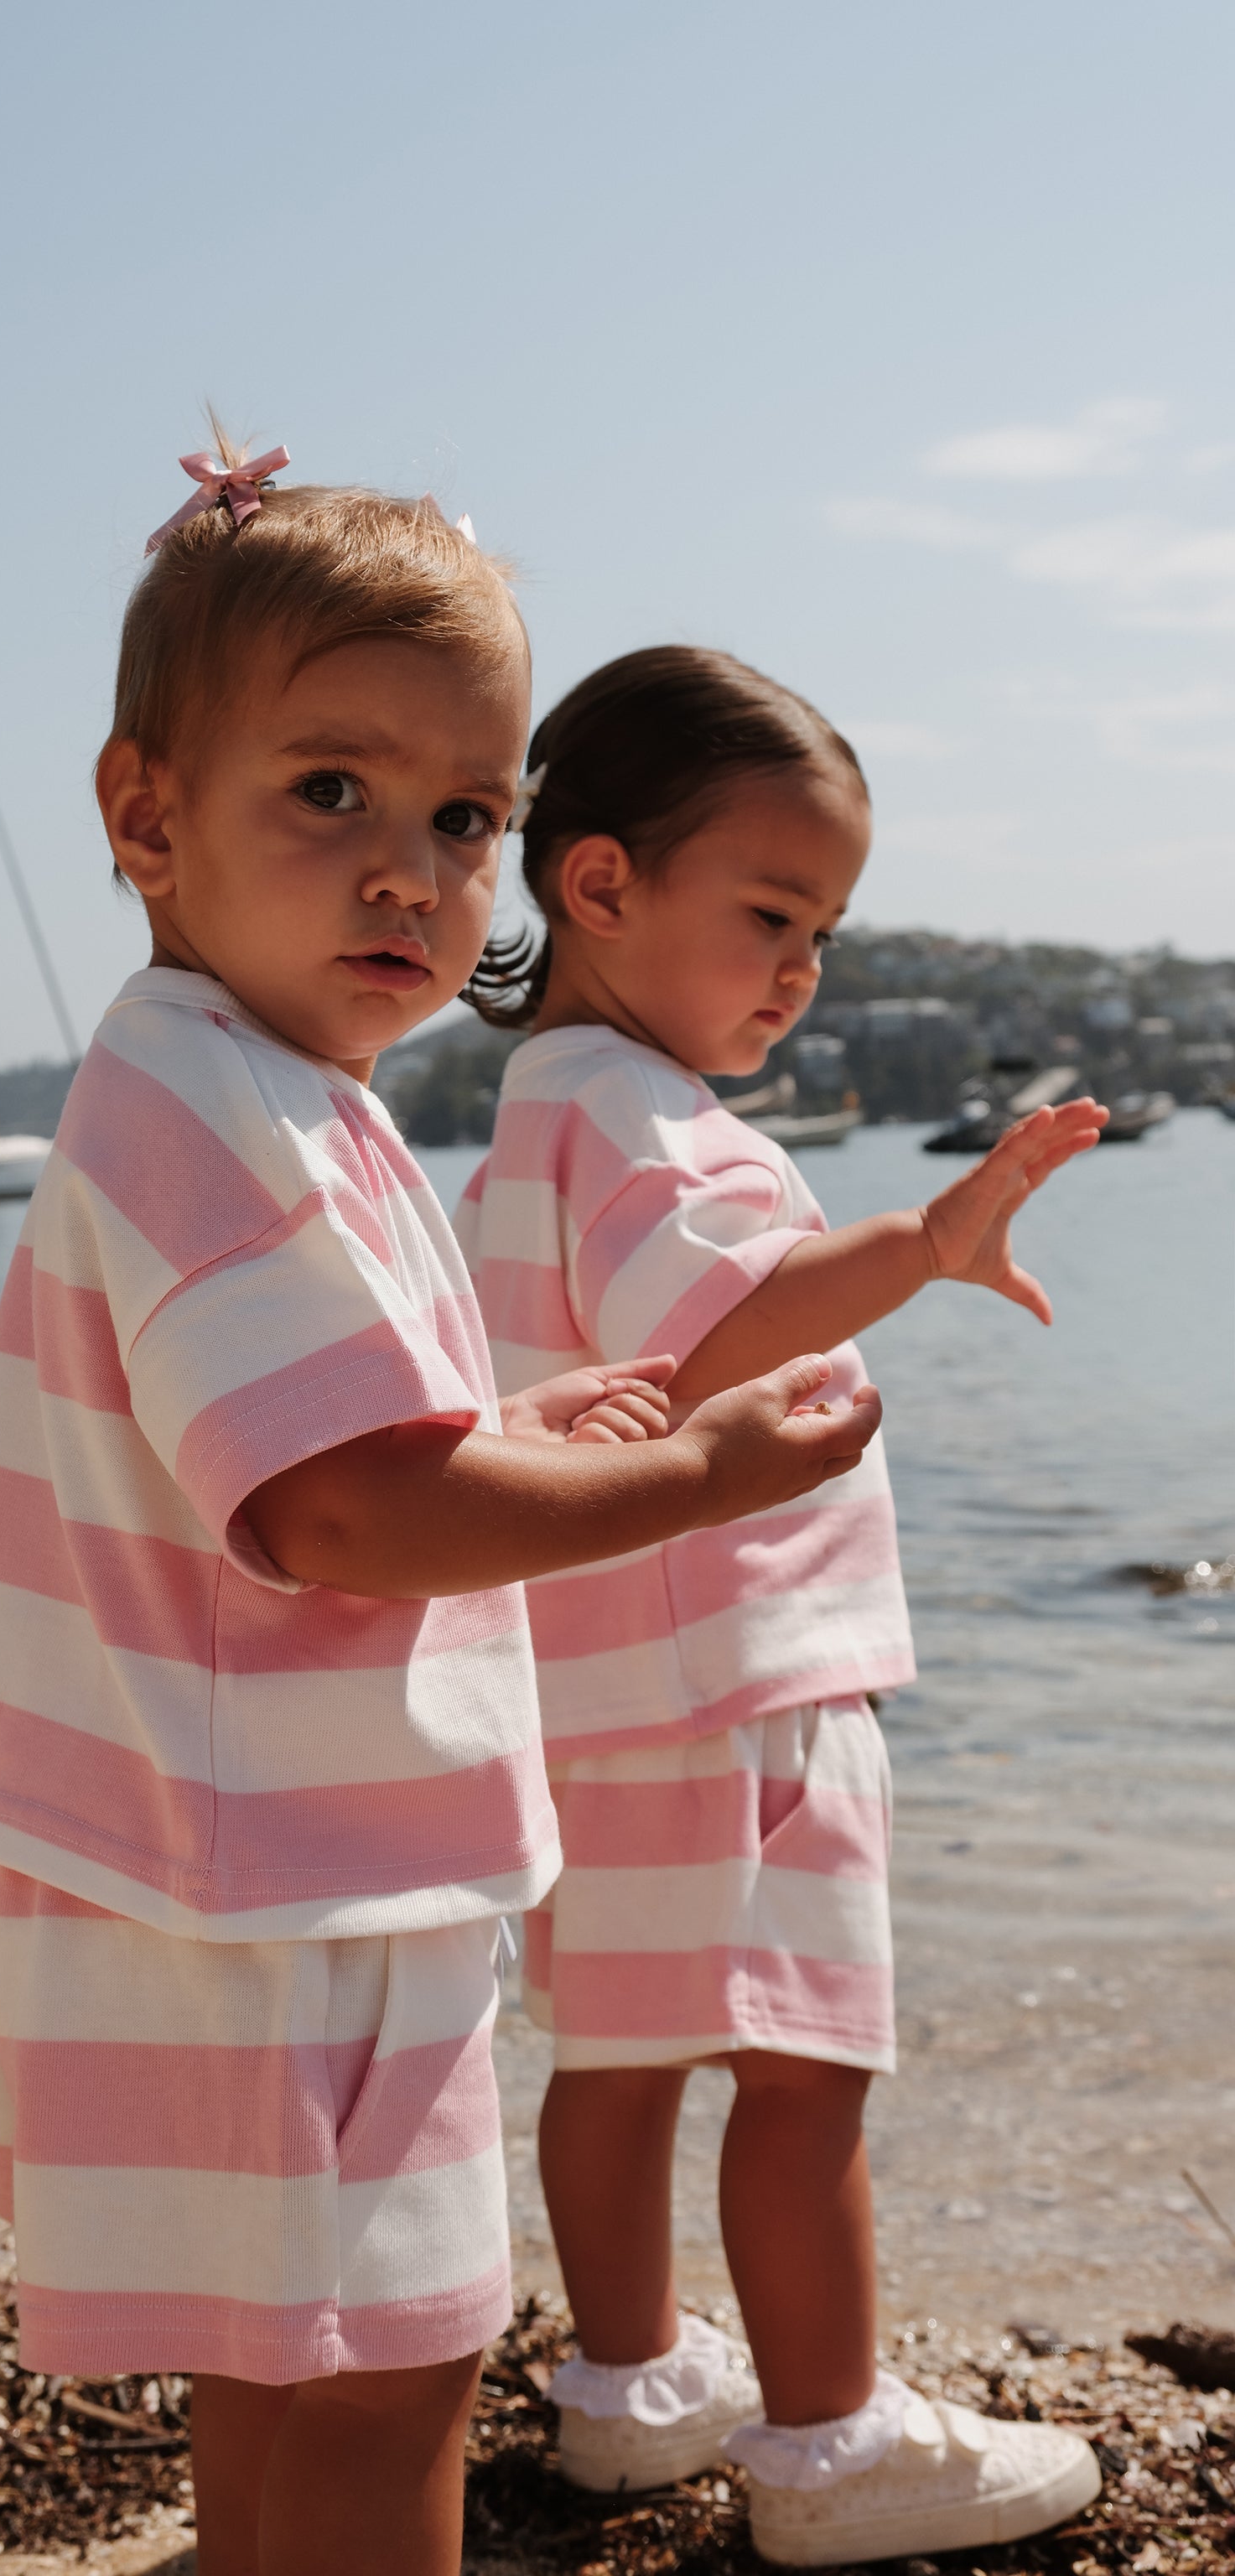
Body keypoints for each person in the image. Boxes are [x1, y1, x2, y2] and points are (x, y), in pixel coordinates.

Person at [0, 461, 885, 2576]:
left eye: (459, 821)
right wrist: (688, 1474)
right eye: (331, 790)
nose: (408, 875)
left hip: (208, 1865)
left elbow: (284, 1455)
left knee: (287, 2370)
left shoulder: (229, 1085)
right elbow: (343, 1512)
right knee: (387, 2370)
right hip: (277, 1888)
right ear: (145, 817)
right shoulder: (226, 1112)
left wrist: (517, 1413)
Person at [456, 646, 1107, 2568]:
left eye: (819, 926)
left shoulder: (539, 1106)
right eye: (767, 913)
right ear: (596, 886)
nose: (798, 965)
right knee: (807, 2061)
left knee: (618, 2055)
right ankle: (829, 2448)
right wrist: (919, 1237)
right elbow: (724, 1323)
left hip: (599, 1675)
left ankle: (629, 2392)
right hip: (744, 1674)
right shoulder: (648, 1120)